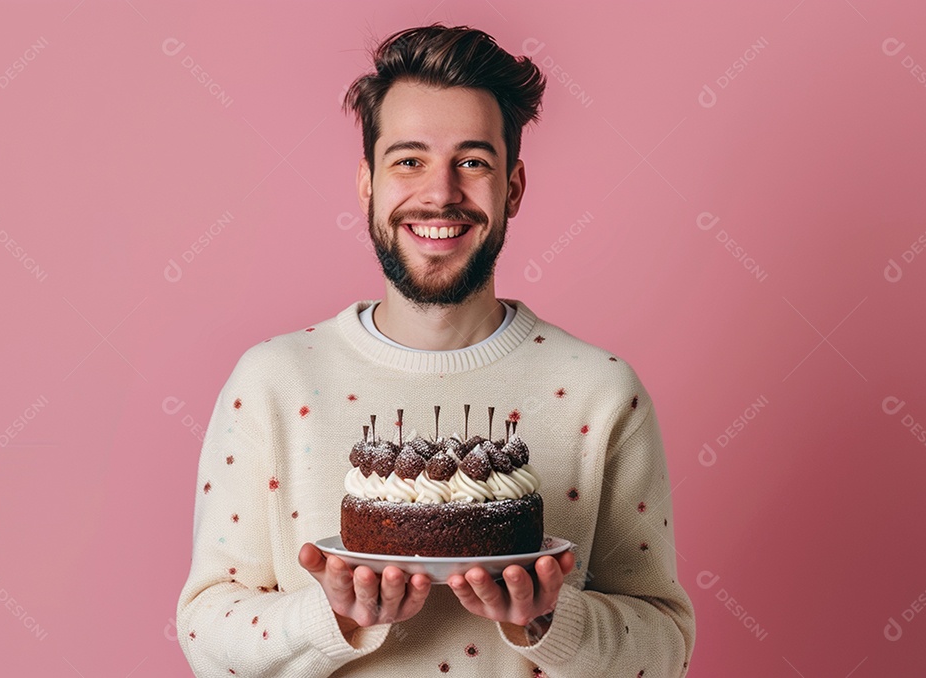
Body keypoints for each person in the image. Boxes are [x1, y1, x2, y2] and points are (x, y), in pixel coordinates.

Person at [176, 23, 695, 677]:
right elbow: (206, 637)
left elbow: (665, 649)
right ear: (367, 183)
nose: (441, 192)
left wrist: (551, 622)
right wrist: (330, 618)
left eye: (473, 162)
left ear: (513, 187)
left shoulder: (601, 391)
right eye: (409, 161)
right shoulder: (272, 382)